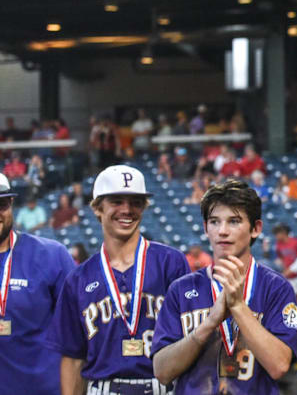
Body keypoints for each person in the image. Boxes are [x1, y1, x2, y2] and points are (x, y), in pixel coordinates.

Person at [45, 165, 190, 395]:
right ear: (97, 208)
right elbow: (73, 360)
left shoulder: (172, 263)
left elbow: (192, 341)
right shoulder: (78, 279)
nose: (127, 209)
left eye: (135, 202)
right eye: (116, 201)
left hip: (162, 387)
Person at [151, 180, 297, 394]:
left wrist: (238, 306)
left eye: (234, 221)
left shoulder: (277, 288)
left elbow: (279, 366)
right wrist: (208, 324)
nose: (222, 231)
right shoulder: (180, 290)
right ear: (205, 228)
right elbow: (162, 371)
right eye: (214, 221)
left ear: (256, 228)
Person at [0, 172, 75, 395]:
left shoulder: (51, 255)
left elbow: (78, 331)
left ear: (12, 203)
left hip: (42, 389)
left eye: (1, 204)